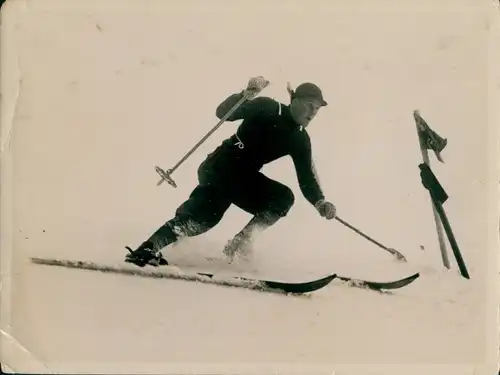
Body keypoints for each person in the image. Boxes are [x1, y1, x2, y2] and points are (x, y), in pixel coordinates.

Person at [125, 76, 337, 267]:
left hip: (244, 177)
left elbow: (307, 177)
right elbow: (224, 113)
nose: (313, 113)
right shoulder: (269, 107)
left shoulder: (300, 138)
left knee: (282, 197)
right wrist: (246, 95)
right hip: (221, 167)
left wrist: (320, 202)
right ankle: (148, 248)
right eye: (310, 106)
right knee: (202, 219)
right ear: (295, 100)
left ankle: (238, 245)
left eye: (317, 109)